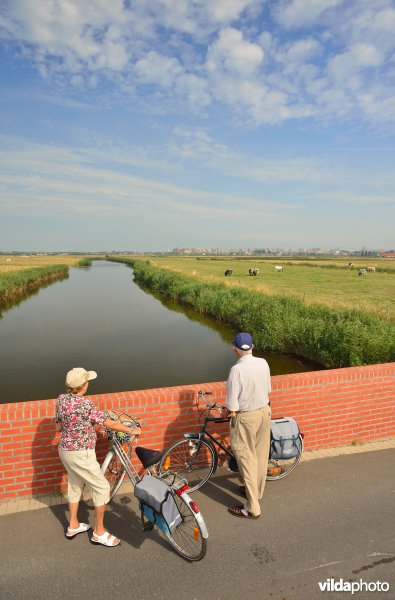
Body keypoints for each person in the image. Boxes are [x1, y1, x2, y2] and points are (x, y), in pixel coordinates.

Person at [55, 367, 142, 547]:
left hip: (65, 450)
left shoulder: (62, 400)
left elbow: (59, 427)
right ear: (83, 385)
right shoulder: (85, 405)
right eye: (87, 381)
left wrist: (84, 427)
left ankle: (73, 525)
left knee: (75, 484)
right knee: (102, 488)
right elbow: (108, 422)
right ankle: (99, 532)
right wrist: (131, 429)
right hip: (81, 454)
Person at [226, 333, 271, 519]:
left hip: (246, 417)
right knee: (260, 457)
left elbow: (232, 404)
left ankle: (252, 508)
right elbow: (268, 390)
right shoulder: (263, 363)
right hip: (264, 412)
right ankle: (256, 493)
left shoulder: (236, 370)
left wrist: (230, 411)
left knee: (246, 460)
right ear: (252, 347)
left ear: (234, 349)